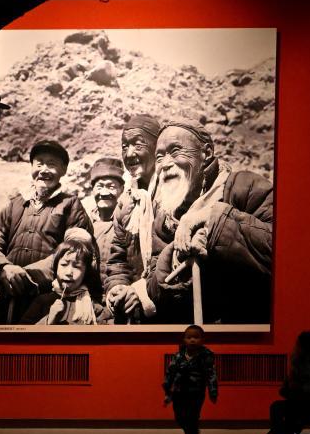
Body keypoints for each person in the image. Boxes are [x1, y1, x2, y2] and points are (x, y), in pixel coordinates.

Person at [147, 119, 273, 324]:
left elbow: (281, 251)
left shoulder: (245, 187)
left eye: (175, 151)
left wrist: (213, 220)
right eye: (159, 157)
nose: (166, 163)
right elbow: (154, 291)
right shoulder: (164, 219)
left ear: (206, 154)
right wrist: (178, 255)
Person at [0, 140, 93, 322]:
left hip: (47, 298)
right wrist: (3, 268)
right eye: (39, 164)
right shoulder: (15, 204)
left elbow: (75, 250)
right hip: (6, 290)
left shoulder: (71, 205)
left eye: (51, 164)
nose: (44, 170)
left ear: (64, 170)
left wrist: (26, 275)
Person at [104, 114, 165, 323]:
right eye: (124, 146)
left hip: (172, 306)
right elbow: (118, 258)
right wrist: (117, 286)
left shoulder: (175, 194)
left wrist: (142, 290)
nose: (129, 154)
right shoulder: (125, 204)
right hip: (135, 310)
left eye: (138, 145)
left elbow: (177, 257)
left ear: (157, 148)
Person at [20, 232, 110, 325]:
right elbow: (23, 331)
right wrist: (48, 320)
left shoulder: (93, 307)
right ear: (56, 267)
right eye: (64, 265)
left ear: (85, 273)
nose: (69, 272)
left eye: (77, 267)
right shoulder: (42, 301)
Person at [162, 324, 218, 434]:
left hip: (196, 391)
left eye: (196, 337)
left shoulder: (206, 355)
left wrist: (213, 392)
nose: (192, 340)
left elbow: (211, 374)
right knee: (179, 417)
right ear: (184, 339)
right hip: (179, 391)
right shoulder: (178, 355)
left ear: (202, 340)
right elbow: (170, 372)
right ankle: (192, 431)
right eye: (189, 337)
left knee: (192, 416)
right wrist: (168, 392)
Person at [84, 157, 125, 282]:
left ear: (122, 189)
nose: (104, 192)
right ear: (92, 189)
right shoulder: (83, 221)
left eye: (111, 187)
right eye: (100, 186)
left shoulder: (129, 221)